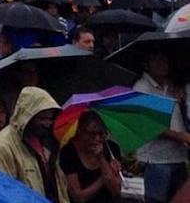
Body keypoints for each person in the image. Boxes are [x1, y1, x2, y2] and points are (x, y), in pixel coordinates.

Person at [0, 86, 70, 203]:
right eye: (42, 118)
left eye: (50, 118)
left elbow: (59, 186)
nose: (47, 124)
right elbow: (2, 193)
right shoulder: (2, 145)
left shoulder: (47, 141)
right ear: (27, 117)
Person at [132, 51, 190, 203]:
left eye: (165, 60)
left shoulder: (170, 85)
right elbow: (150, 124)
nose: (163, 64)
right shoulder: (142, 88)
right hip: (157, 160)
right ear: (147, 65)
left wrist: (181, 101)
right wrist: (179, 136)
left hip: (178, 155)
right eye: (158, 60)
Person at [58, 111, 122, 203]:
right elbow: (78, 197)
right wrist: (106, 174)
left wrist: (101, 158)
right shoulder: (69, 152)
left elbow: (116, 191)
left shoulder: (111, 149)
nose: (97, 139)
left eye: (101, 134)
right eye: (92, 134)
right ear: (80, 132)